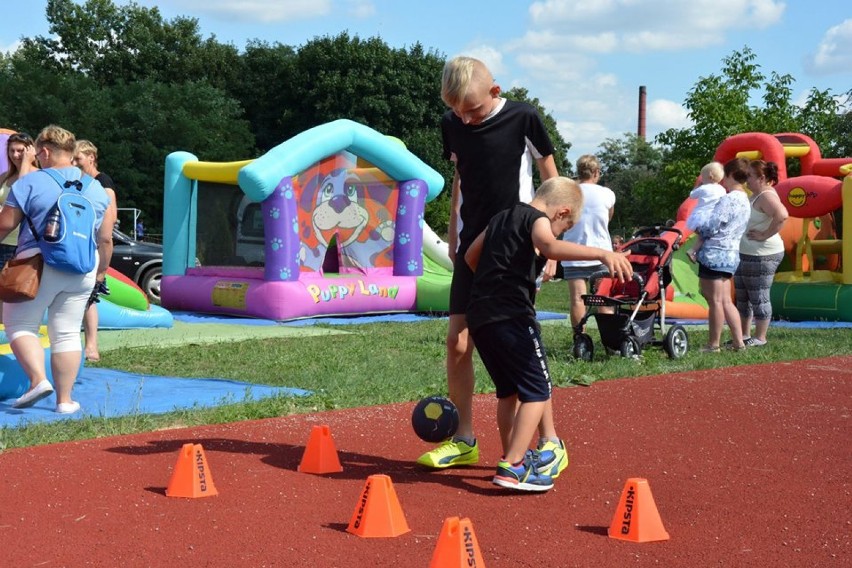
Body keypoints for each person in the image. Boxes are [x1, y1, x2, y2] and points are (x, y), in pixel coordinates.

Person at [416, 55, 562, 471]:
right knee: (458, 341)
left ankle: (551, 441)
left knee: (518, 341)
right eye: (457, 111)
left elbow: (552, 182)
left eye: (473, 110)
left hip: (516, 244)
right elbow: (462, 176)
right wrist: (453, 230)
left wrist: (551, 243)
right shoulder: (453, 123)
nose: (465, 119)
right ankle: (464, 438)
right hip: (470, 245)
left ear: (495, 92)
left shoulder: (524, 118)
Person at [464, 177, 634, 491]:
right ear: (561, 212)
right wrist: (602, 253)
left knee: (508, 391)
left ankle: (512, 455)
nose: (560, 232)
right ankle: (513, 466)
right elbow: (549, 246)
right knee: (538, 390)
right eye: (565, 226)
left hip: (481, 314)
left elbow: (471, 256)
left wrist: (495, 280)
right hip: (513, 315)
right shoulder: (539, 220)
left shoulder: (500, 218)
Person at [0, 125, 114, 413]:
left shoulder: (29, 182)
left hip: (38, 265)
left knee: (18, 324)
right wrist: (101, 272)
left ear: (46, 151)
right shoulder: (97, 189)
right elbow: (105, 237)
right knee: (65, 333)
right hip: (82, 269)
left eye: (38, 153)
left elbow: (5, 224)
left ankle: (38, 380)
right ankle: (65, 401)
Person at [693, 157, 751, 353]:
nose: (723, 180)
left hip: (714, 253)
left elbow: (712, 225)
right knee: (726, 300)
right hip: (731, 254)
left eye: (725, 175)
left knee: (715, 301)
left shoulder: (728, 199)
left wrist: (698, 229)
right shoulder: (745, 200)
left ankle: (713, 344)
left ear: (732, 175)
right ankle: (738, 341)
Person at [734, 160, 788, 347]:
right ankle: (744, 336)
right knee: (743, 298)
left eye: (749, 175)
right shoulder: (756, 195)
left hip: (763, 255)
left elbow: (782, 214)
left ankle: (760, 338)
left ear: (762, 178)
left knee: (758, 296)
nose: (746, 179)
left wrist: (765, 234)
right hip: (746, 253)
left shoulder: (766, 196)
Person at [73, 140, 117, 363]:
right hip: (81, 244)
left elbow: (111, 217)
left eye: (78, 158)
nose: (75, 163)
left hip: (95, 246)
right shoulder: (79, 181)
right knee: (85, 297)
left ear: (91, 157)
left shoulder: (102, 181)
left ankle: (92, 346)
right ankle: (83, 345)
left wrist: (103, 267)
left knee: (90, 298)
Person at [560, 154, 616, 329]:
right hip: (602, 254)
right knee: (603, 299)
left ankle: (580, 340)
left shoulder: (568, 193)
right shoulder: (607, 193)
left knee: (578, 299)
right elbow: (608, 218)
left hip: (573, 251)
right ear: (596, 172)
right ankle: (610, 342)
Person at [0, 132, 39, 265]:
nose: (15, 155)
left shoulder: (39, 176)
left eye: (20, 151)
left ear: (30, 151)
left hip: (20, 244)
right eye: (12, 150)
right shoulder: (5, 176)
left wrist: (25, 164)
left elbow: (21, 195)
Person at [686, 161, 726, 262]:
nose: (702, 179)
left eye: (702, 177)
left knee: (701, 237)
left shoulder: (704, 188)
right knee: (704, 237)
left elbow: (692, 195)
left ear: (710, 176)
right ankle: (695, 251)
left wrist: (696, 186)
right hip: (713, 218)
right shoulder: (722, 190)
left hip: (700, 217)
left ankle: (693, 251)